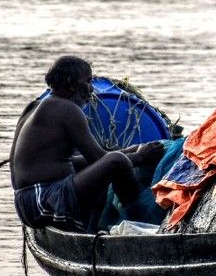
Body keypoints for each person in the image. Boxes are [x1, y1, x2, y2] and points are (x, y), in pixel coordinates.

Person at [10, 55, 163, 232]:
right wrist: (140, 156)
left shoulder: (34, 107)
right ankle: (139, 220)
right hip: (45, 199)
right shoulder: (66, 108)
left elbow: (68, 162)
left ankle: (91, 229)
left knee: (114, 159)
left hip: (26, 203)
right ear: (71, 82)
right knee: (117, 162)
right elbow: (98, 158)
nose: (91, 89)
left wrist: (128, 150)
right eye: (88, 81)